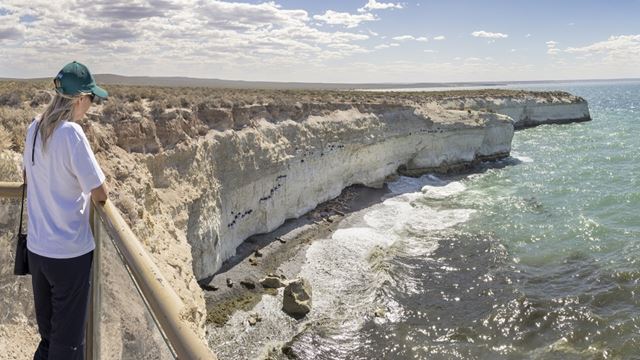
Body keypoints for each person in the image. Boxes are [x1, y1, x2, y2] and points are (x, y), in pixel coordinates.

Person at [22, 61, 109, 360]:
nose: (90, 106)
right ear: (80, 98)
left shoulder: (34, 128)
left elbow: (29, 177)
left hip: (38, 250)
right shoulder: (71, 133)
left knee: (48, 337)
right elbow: (100, 191)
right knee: (68, 345)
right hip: (69, 255)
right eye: (91, 99)